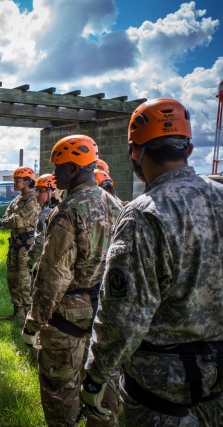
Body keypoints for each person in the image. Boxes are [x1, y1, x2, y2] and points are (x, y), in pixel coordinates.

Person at [81, 98, 223, 426]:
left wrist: (96, 376)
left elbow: (123, 317)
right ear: (188, 148)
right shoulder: (219, 197)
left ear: (135, 152)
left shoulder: (145, 214)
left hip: (162, 395)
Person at [21, 135, 122, 426]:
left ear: (75, 168)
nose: (54, 174)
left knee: (60, 397)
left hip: (67, 322)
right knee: (103, 402)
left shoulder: (68, 211)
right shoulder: (116, 206)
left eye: (59, 167)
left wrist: (33, 323)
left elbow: (53, 276)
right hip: (105, 318)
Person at [0, 166, 39, 321]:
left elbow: (18, 220)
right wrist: (13, 220)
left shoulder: (33, 199)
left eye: (18, 181)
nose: (15, 183)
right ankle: (18, 312)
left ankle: (29, 314)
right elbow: (5, 221)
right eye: (14, 180)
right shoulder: (16, 200)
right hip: (15, 243)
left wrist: (14, 220)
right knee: (12, 278)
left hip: (26, 245)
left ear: (28, 181)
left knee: (24, 280)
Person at [26, 173, 59, 274]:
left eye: (41, 191)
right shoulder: (60, 209)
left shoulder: (45, 214)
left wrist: (31, 260)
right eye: (36, 190)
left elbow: (40, 241)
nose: (37, 194)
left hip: (46, 264)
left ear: (52, 191)